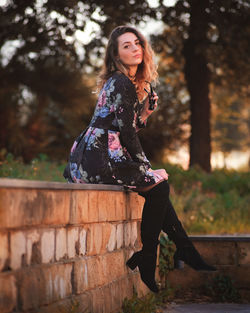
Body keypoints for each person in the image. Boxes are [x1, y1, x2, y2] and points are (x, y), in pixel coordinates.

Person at [64, 25, 216, 293]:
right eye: (127, 46)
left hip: (96, 153)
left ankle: (175, 251)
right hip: (100, 157)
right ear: (115, 55)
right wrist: (145, 166)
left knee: (158, 189)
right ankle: (164, 253)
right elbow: (123, 134)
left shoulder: (121, 81)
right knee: (159, 185)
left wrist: (143, 115)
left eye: (137, 43)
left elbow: (122, 128)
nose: (135, 48)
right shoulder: (122, 82)